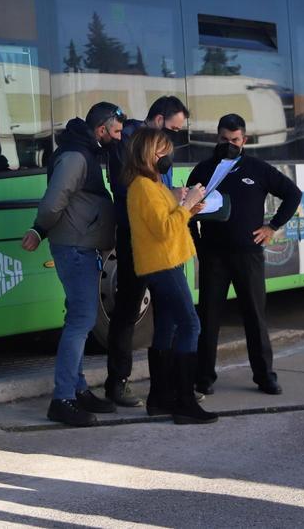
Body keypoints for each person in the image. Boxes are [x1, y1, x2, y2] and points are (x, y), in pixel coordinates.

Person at [22, 102, 124, 427]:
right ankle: (62, 398)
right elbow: (54, 201)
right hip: (75, 247)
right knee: (82, 319)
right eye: (117, 131)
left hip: (82, 245)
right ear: (101, 129)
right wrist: (40, 228)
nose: (120, 137)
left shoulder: (85, 153)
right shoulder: (76, 157)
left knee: (81, 317)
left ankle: (78, 390)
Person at [187, 114, 302, 396]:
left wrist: (272, 227)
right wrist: (199, 246)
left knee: (254, 317)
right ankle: (204, 378)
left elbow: (293, 194)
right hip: (214, 256)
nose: (230, 144)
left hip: (248, 256)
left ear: (245, 140)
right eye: (225, 140)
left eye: (235, 140)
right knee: (209, 318)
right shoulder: (203, 170)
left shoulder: (258, 168)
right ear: (217, 138)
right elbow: (186, 213)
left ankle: (265, 377)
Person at [123, 128, 218, 425]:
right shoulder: (143, 186)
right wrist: (187, 203)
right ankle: (184, 401)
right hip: (163, 263)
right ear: (149, 153)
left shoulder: (152, 184)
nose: (168, 156)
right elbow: (164, 230)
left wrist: (187, 207)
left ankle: (160, 398)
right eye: (163, 150)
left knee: (166, 327)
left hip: (166, 261)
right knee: (190, 324)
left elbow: (169, 223)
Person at [104, 95, 190, 407]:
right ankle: (118, 383)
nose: (175, 137)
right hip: (138, 238)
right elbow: (134, 191)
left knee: (168, 311)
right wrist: (173, 196)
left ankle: (166, 387)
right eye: (173, 129)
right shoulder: (131, 144)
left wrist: (180, 200)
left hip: (159, 236)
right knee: (129, 308)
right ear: (157, 120)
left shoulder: (156, 147)